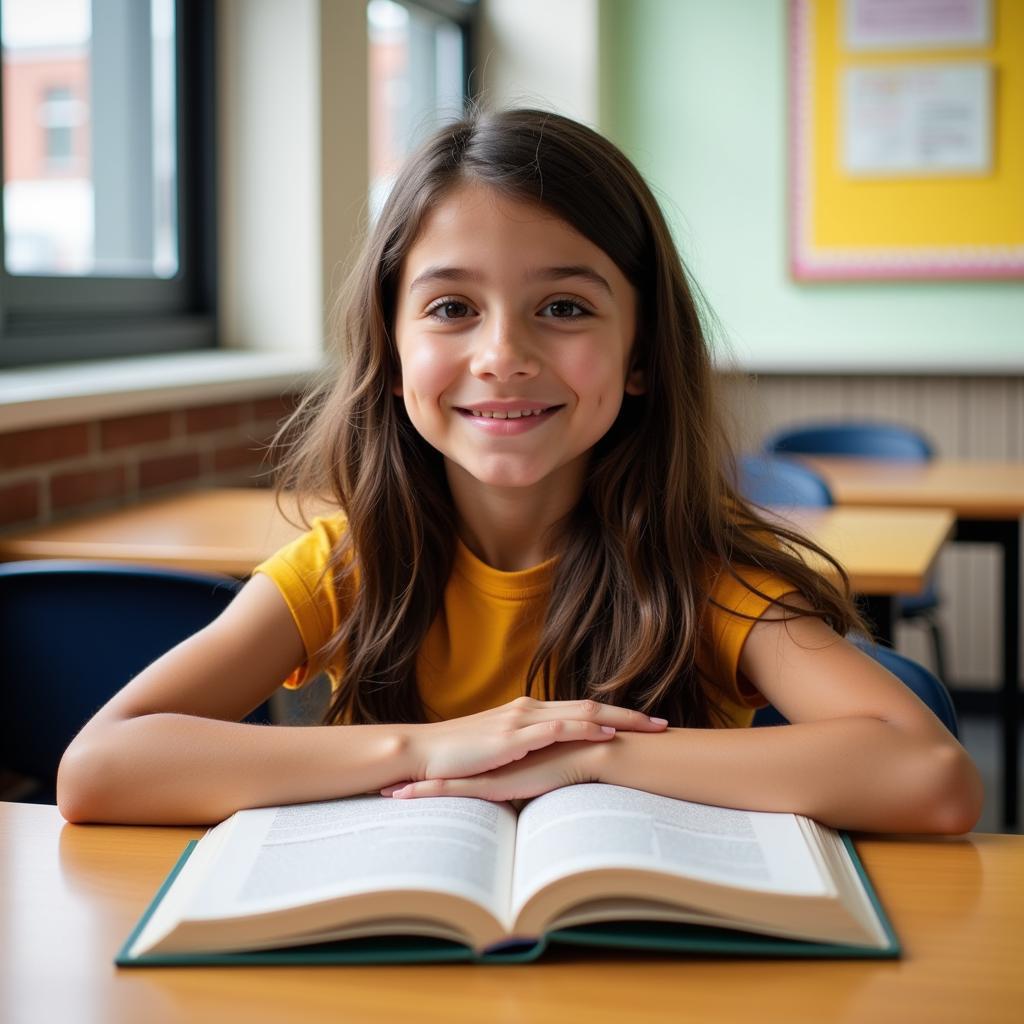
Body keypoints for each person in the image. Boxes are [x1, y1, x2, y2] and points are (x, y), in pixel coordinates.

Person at [57, 108, 982, 833]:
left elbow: (933, 777)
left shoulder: (702, 575)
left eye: (566, 307)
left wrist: (581, 755)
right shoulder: (349, 564)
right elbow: (98, 768)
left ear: (641, 354)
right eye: (453, 305)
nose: (503, 354)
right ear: (390, 344)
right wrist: (430, 749)